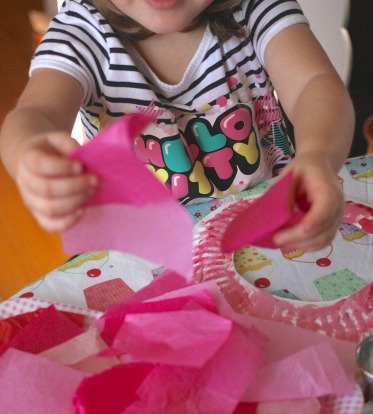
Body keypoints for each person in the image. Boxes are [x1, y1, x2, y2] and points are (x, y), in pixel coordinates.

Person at [0, 0, 354, 252]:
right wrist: (31, 153)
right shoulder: (81, 32)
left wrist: (318, 154)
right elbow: (35, 115)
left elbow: (315, 85)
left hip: (266, 238)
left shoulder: (258, 8)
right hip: (138, 256)